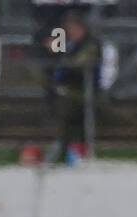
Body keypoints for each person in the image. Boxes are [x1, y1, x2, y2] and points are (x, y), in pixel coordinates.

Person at [43, 11, 102, 164]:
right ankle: (63, 149)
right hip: (69, 90)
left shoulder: (90, 44)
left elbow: (79, 65)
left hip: (83, 91)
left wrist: (65, 67)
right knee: (60, 106)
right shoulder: (71, 44)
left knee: (67, 111)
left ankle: (66, 150)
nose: (70, 32)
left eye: (72, 29)